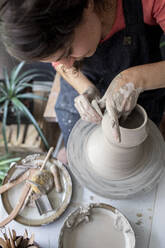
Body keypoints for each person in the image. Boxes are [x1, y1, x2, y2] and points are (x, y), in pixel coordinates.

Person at [1, 0, 165, 152]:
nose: (68, 64)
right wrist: (85, 88)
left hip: (144, 77)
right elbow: (61, 63)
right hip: (87, 76)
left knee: (138, 143)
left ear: (87, 4)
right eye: (58, 59)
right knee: (75, 131)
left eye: (68, 52)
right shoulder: (60, 49)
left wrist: (132, 80)